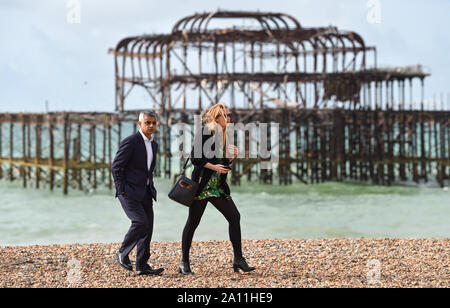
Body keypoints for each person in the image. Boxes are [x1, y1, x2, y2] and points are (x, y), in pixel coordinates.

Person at [179, 103, 255, 275]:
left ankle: (238, 259)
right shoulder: (206, 131)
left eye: (229, 115)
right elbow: (195, 158)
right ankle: (184, 262)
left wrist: (232, 157)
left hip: (218, 187)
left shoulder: (225, 134)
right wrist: (215, 167)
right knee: (193, 222)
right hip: (202, 186)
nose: (229, 119)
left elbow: (223, 163)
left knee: (234, 217)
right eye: (226, 115)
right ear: (216, 118)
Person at [111, 111, 164, 276]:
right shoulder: (131, 141)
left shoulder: (153, 144)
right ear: (139, 124)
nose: (151, 126)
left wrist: (150, 187)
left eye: (154, 123)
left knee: (148, 228)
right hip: (129, 191)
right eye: (147, 122)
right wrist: (122, 189)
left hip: (146, 192)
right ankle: (122, 252)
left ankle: (142, 265)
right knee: (140, 222)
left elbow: (147, 170)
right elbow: (116, 167)